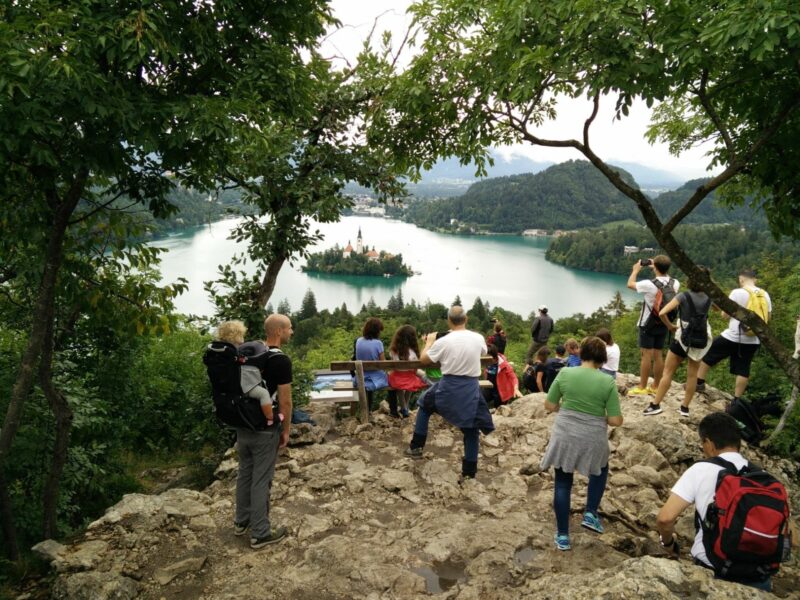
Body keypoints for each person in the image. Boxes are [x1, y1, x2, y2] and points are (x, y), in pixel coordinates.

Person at [656, 412, 796, 592]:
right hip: (759, 577)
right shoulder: (767, 480)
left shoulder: (701, 469)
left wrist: (668, 544)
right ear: (738, 442)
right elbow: (789, 533)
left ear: (708, 443)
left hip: (713, 572)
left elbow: (665, 519)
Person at [540, 336, 623, 551]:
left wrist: (566, 410)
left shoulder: (566, 373)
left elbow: (549, 405)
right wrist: (600, 418)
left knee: (562, 482)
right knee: (601, 468)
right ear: (602, 359)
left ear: (582, 353)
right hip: (593, 436)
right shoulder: (607, 381)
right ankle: (590, 513)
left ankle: (563, 536)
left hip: (565, 434)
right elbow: (616, 421)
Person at [405, 305, 494, 482]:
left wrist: (428, 342)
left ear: (448, 320)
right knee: (471, 429)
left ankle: (416, 447)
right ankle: (469, 473)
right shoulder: (478, 338)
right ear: (466, 319)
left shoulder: (442, 342)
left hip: (448, 385)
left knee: (424, 405)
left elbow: (423, 360)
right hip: (470, 387)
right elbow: (484, 351)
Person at [233, 314, 293, 549]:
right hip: (266, 428)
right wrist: (286, 430)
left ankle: (241, 522)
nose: (292, 332)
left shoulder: (247, 354)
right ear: (278, 331)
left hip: (243, 423)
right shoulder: (280, 360)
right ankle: (260, 533)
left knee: (245, 473)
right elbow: (286, 401)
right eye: (289, 328)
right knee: (261, 479)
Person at [644, 268, 713, 416]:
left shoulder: (683, 296)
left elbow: (662, 312)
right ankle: (685, 408)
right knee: (693, 374)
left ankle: (656, 405)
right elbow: (723, 312)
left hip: (683, 337)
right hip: (701, 337)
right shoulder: (710, 297)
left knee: (668, 372)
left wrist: (670, 326)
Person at [696, 268, 772, 400]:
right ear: (755, 280)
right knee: (743, 368)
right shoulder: (764, 294)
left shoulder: (737, 292)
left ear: (741, 279)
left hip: (733, 336)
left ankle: (699, 383)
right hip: (753, 339)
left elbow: (724, 315)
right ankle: (736, 399)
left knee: (707, 354)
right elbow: (768, 318)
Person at [627, 255, 680, 395]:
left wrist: (635, 270)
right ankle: (656, 386)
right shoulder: (676, 283)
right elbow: (664, 280)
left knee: (646, 355)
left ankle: (642, 387)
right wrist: (656, 266)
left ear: (655, 267)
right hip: (664, 322)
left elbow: (630, 284)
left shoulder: (649, 284)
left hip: (647, 323)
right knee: (658, 355)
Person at [215, 320, 276, 425]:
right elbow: (245, 361)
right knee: (264, 394)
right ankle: (270, 418)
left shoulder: (221, 351)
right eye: (241, 335)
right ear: (236, 335)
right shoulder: (234, 352)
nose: (243, 340)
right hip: (241, 386)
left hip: (226, 388)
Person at [387, 325, 427, 418]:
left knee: (399, 387)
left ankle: (404, 408)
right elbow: (415, 369)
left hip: (397, 376)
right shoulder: (413, 352)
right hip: (409, 376)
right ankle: (405, 406)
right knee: (411, 385)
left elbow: (394, 365)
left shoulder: (393, 351)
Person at [353, 317, 389, 413]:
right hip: (375, 377)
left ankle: (367, 410)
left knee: (368, 381)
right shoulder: (378, 343)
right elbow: (383, 364)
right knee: (391, 379)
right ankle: (394, 410)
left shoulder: (358, 341)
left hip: (361, 376)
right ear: (376, 331)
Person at [484, 343, 522, 407]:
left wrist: (516, 389)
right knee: (479, 401)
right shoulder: (486, 361)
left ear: (493, 357)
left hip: (501, 391)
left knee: (498, 409)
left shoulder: (504, 365)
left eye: (487, 357)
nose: (485, 358)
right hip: (489, 388)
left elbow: (513, 377)